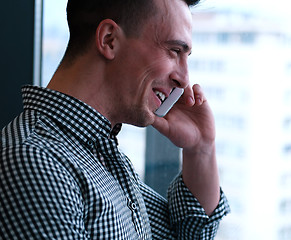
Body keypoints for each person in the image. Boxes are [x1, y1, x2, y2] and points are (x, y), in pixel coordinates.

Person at [0, 0, 229, 239]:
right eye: (174, 51)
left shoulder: (103, 158)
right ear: (109, 40)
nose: (184, 79)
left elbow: (186, 235)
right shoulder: (34, 161)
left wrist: (200, 148)